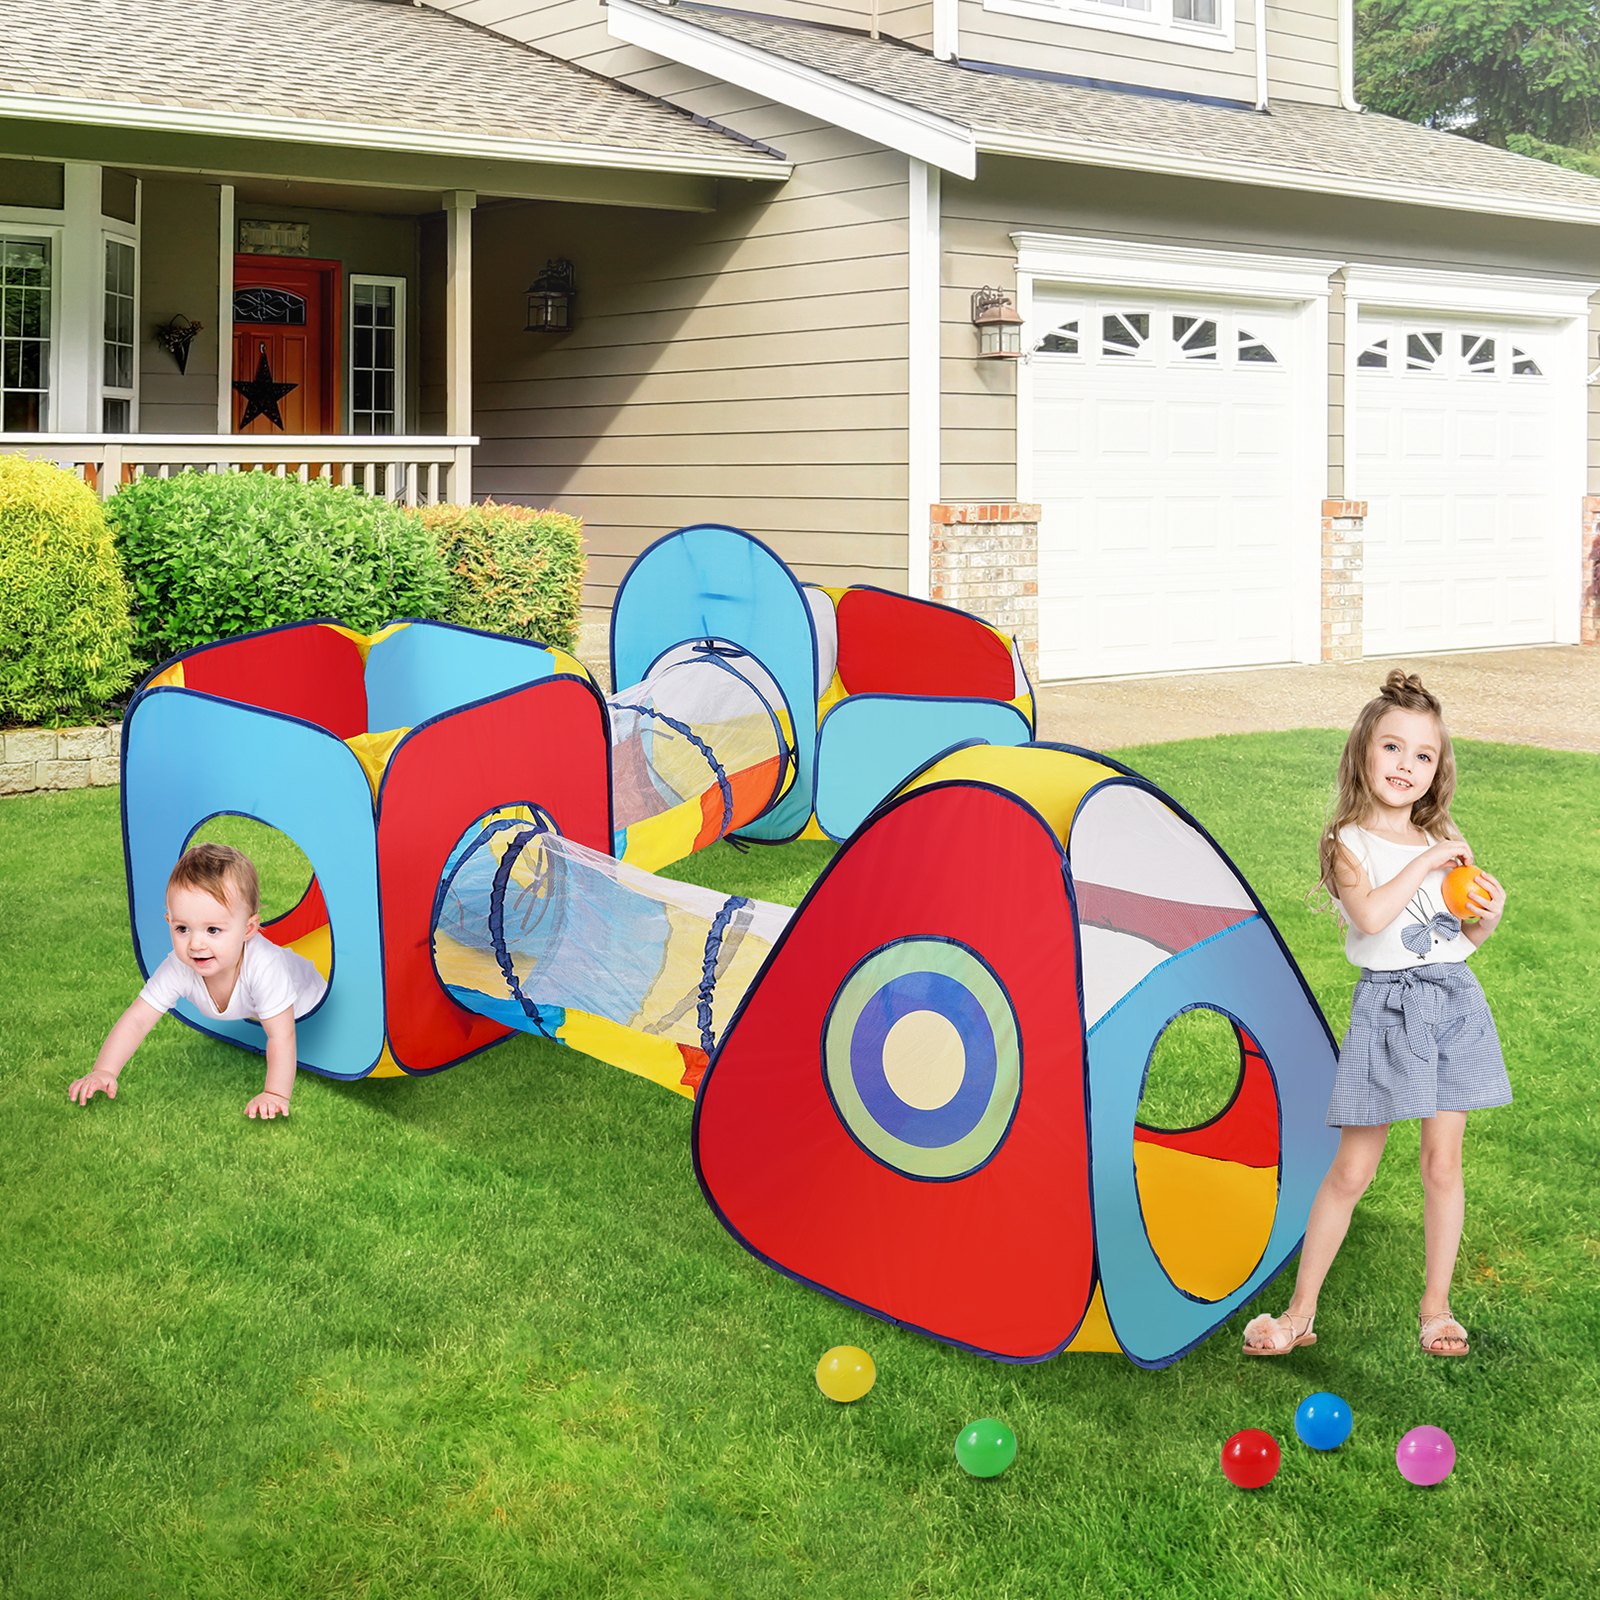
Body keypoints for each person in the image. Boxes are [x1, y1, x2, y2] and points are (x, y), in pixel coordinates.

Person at [1243, 670, 1509, 1359]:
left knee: (1443, 1164)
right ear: (1364, 751)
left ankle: (1436, 1308)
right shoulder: (1347, 844)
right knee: (1353, 1170)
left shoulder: (1438, 837)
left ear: (1437, 770)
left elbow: (1455, 938)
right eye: (1393, 748)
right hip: (1389, 1011)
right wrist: (1424, 868)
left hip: (1451, 1002)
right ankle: (1299, 1316)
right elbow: (1370, 917)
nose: (1406, 766)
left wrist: (1487, 920)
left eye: (1423, 756)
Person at [68, 842, 326, 1120]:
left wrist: (275, 1093)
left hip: (309, 999)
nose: (196, 944)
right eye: (182, 928)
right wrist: (104, 1070)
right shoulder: (180, 966)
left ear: (248, 929)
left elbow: (281, 1035)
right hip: (260, 1006)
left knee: (286, 1024)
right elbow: (138, 1018)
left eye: (213, 929)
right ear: (169, 921)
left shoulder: (266, 967)